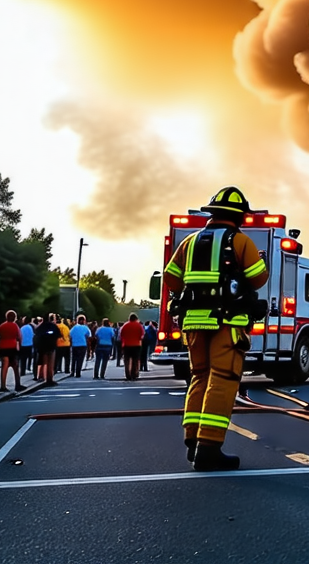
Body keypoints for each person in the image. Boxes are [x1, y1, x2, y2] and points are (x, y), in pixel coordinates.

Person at [164, 186, 268, 472]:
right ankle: (209, 449)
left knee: (199, 377)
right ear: (241, 217)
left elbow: (171, 281)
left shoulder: (190, 242)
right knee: (222, 379)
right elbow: (258, 279)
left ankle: (193, 442)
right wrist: (262, 261)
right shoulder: (241, 242)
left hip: (195, 325)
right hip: (227, 324)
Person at [0, 310, 26, 392]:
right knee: (15, 367)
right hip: (12, 348)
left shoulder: (2, 326)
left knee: (4, 367)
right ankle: (18, 384)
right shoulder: (15, 326)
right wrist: (19, 347)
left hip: (3, 347)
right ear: (14, 318)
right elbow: (19, 337)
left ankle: (2, 386)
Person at [34, 313, 61, 384]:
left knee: (42, 363)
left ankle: (41, 376)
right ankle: (49, 379)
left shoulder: (39, 327)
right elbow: (58, 334)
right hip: (51, 346)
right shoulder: (52, 326)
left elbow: (36, 336)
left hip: (42, 347)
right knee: (50, 364)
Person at [120, 314, 144, 381]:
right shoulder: (139, 326)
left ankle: (128, 375)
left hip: (126, 345)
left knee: (127, 361)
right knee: (135, 361)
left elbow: (121, 335)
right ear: (136, 318)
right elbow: (141, 336)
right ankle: (134, 374)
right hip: (136, 345)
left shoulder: (125, 325)